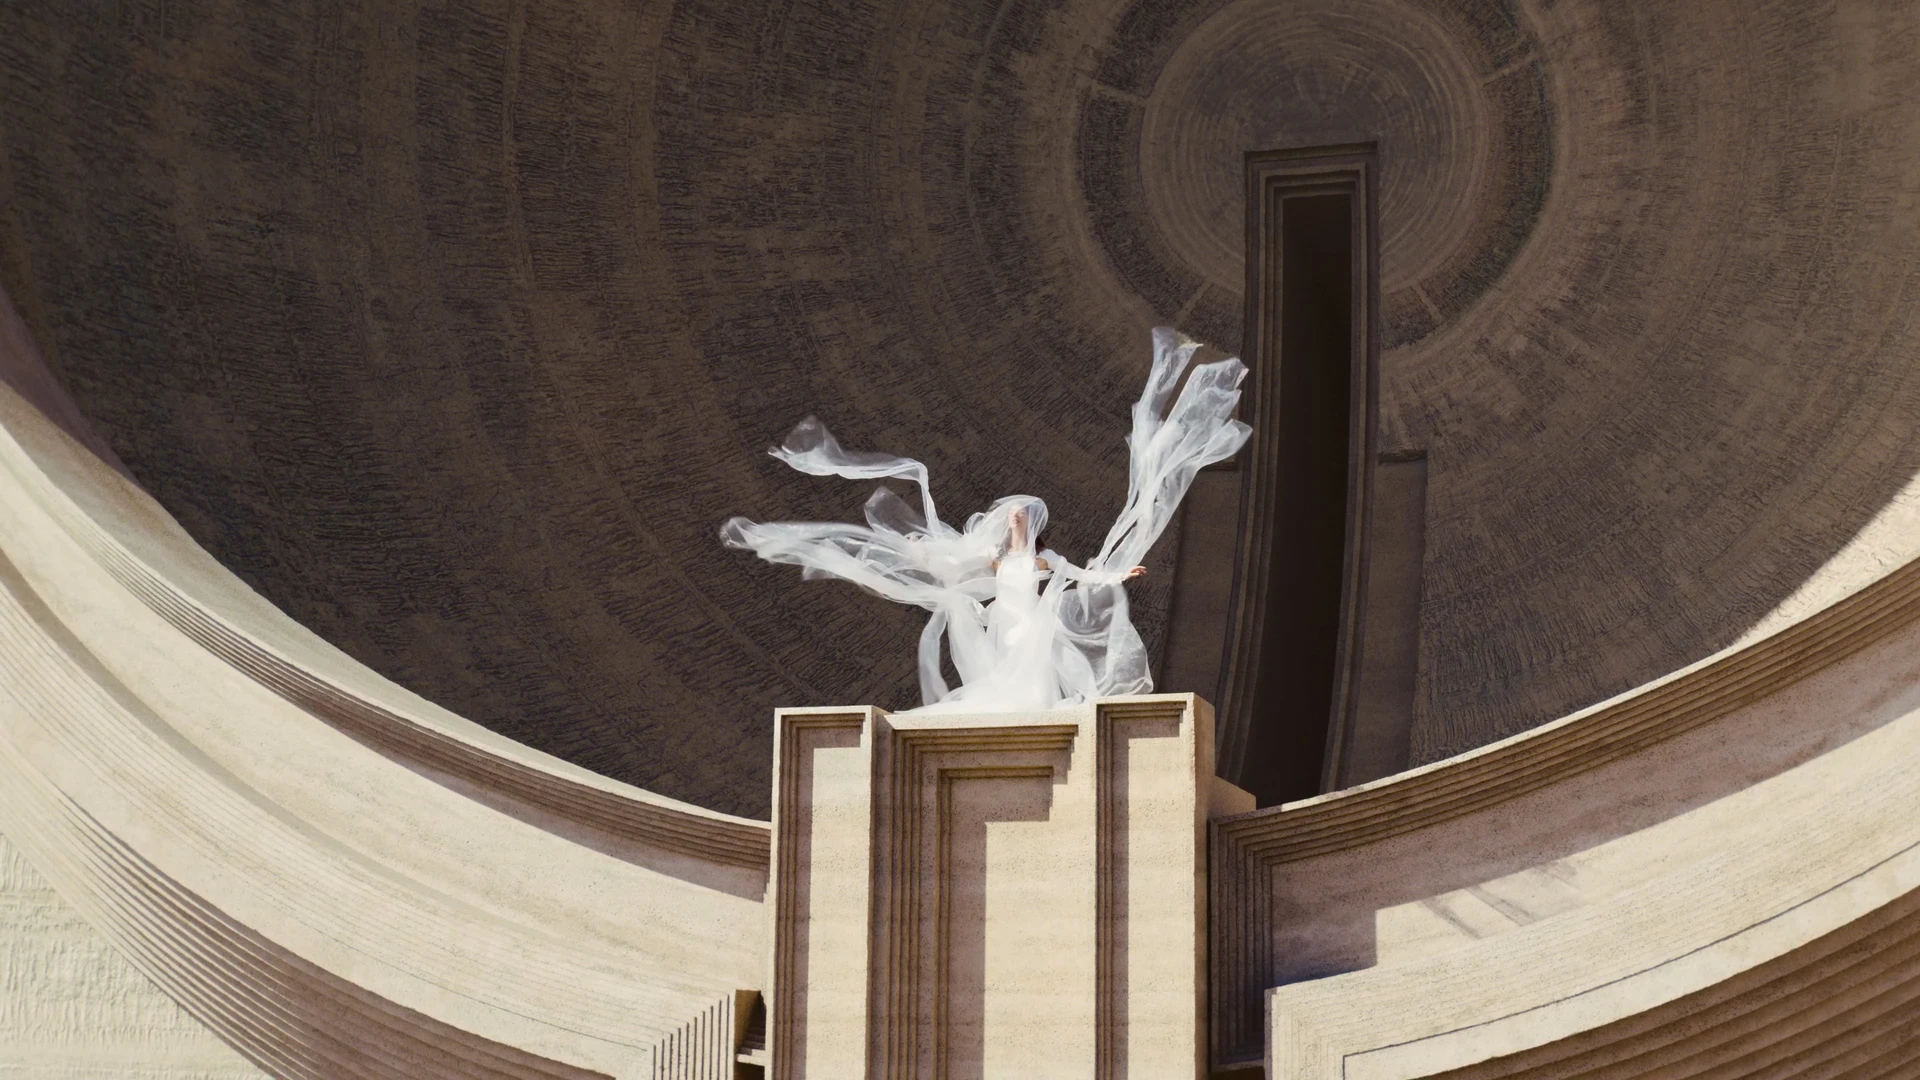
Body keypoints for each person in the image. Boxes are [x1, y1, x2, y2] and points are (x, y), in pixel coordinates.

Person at [720, 327, 1250, 713]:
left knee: (1033, 671)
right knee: (1004, 671)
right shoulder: (995, 559)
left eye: (1022, 521)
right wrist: (908, 572)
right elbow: (958, 573)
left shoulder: (1044, 559)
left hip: (1030, 622)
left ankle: (1035, 715)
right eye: (1013, 519)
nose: (1016, 521)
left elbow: (1083, 575)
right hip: (1003, 622)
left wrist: (1119, 574)